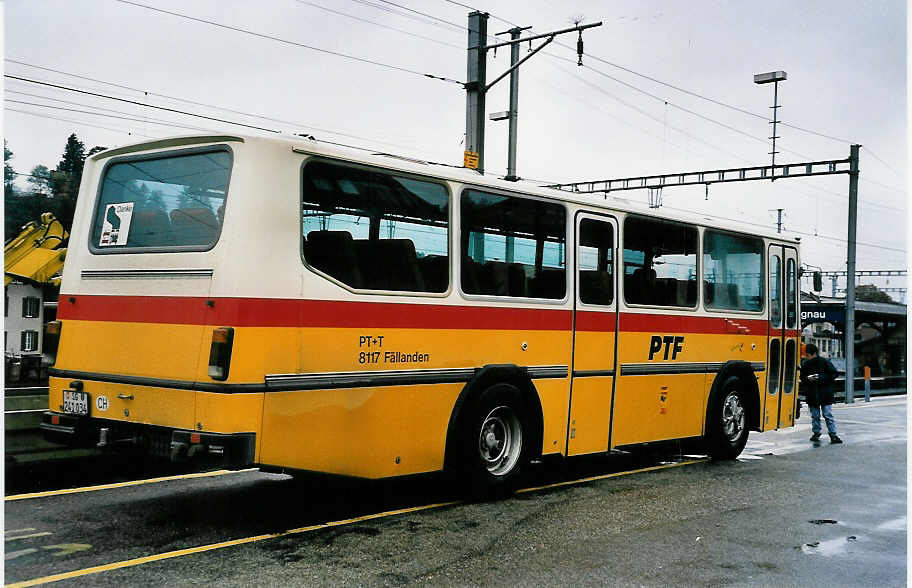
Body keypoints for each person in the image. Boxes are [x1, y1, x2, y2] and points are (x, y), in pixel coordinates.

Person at [800, 343, 842, 444]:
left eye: (807, 355)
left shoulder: (823, 362)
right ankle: (820, 433)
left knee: (824, 415)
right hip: (819, 393)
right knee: (820, 415)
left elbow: (834, 374)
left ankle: (831, 434)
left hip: (822, 393)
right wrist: (808, 378)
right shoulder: (806, 364)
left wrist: (820, 378)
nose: (806, 357)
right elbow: (802, 378)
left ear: (812, 353)